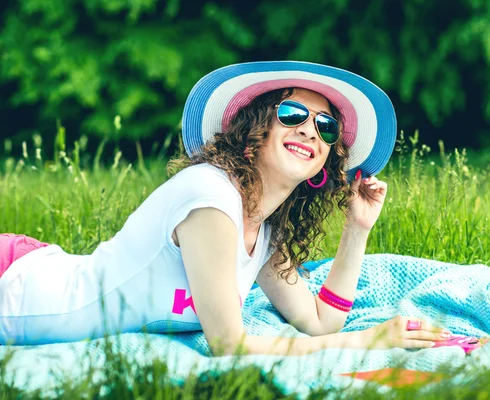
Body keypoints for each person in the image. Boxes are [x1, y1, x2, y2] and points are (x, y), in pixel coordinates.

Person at [0, 61, 451, 355]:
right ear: (253, 133)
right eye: (293, 115)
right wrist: (370, 340)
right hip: (13, 284)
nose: (312, 131)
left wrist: (358, 227)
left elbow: (319, 322)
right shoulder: (211, 199)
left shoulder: (262, 230)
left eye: (326, 126)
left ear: (326, 159)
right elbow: (229, 347)